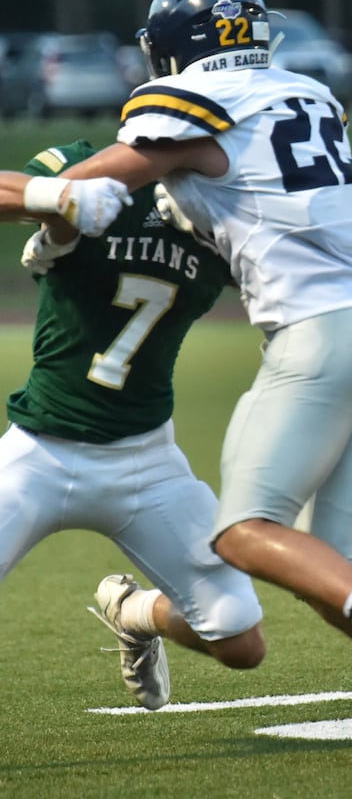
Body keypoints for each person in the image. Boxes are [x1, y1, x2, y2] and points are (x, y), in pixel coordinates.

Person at [47, 0, 352, 775]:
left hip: (315, 338)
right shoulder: (306, 92)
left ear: (175, 49)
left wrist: (49, 205)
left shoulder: (186, 108)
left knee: (243, 532)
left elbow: (98, 181)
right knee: (327, 570)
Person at [0, 140, 264, 711]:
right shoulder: (88, 163)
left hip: (146, 462)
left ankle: (135, 614)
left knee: (241, 639)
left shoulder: (233, 204)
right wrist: (62, 196)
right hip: (39, 451)